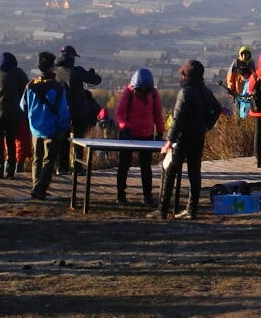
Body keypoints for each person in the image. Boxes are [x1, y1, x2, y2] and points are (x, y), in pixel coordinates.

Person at [158, 61, 221, 217]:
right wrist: (207, 126)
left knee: (169, 171)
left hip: (182, 138)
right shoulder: (206, 91)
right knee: (194, 173)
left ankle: (162, 209)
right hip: (198, 137)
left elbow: (177, 118)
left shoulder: (185, 92)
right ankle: (192, 209)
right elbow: (218, 108)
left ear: (185, 75)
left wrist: (169, 141)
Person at [23, 52, 71, 201]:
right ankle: (40, 188)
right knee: (49, 160)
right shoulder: (57, 87)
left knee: (37, 159)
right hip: (52, 129)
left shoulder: (30, 85)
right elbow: (63, 111)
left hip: (35, 128)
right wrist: (64, 127)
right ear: (52, 67)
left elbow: (23, 106)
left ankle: (35, 186)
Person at [112, 68, 164, 205]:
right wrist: (124, 126)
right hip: (129, 134)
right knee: (124, 165)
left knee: (146, 167)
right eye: (139, 90)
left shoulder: (153, 94)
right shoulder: (128, 93)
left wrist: (160, 131)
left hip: (146, 134)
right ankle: (121, 194)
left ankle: (148, 196)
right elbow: (119, 114)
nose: (141, 93)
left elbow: (157, 113)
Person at [53, 46, 101, 170]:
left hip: (61, 110)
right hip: (79, 110)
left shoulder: (54, 71)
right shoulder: (77, 71)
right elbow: (97, 80)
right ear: (72, 57)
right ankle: (77, 166)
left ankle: (62, 167)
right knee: (78, 140)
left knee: (63, 140)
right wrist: (91, 74)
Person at [0, 52, 28, 180]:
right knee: (11, 141)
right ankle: (10, 172)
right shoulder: (18, 73)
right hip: (12, 112)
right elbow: (26, 89)